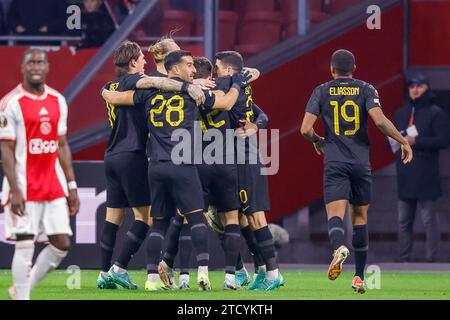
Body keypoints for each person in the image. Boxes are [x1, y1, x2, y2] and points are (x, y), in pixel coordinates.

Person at [102, 49, 251, 291]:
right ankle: (203, 274)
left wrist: (105, 92)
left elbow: (119, 98)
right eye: (189, 65)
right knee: (196, 219)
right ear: (174, 69)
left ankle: (151, 280)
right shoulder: (194, 93)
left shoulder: (148, 93)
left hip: (157, 167)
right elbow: (225, 102)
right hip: (183, 165)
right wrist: (239, 83)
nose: (193, 70)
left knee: (159, 223)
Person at [300, 49, 413, 294]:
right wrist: (402, 141)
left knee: (335, 215)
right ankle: (359, 277)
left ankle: (339, 247)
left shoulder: (321, 90)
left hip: (335, 162)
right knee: (360, 218)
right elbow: (380, 121)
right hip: (361, 162)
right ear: (354, 68)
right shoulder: (366, 89)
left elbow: (305, 129)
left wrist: (318, 140)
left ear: (332, 69)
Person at [98, 41, 205, 290]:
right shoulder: (144, 83)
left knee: (114, 217)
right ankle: (121, 268)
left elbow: (114, 95)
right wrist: (189, 86)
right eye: (140, 59)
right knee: (148, 218)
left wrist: (106, 94)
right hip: (137, 154)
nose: (145, 62)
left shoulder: (109, 86)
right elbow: (151, 82)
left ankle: (103, 274)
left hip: (112, 153)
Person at [0, 48, 80, 300]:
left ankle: (19, 291)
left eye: (40, 62)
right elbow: (6, 149)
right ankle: (22, 298)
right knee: (25, 243)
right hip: (24, 184)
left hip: (53, 183)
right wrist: (15, 189)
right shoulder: (10, 102)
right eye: (31, 62)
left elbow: (62, 144)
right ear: (23, 67)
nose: (36, 66)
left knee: (62, 243)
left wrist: (72, 185)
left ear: (47, 67)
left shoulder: (58, 100)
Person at [213, 51, 283, 291]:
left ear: (229, 71)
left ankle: (274, 274)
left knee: (255, 216)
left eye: (218, 67)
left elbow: (262, 116)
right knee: (244, 218)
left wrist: (256, 126)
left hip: (247, 158)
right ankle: (262, 271)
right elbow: (263, 114)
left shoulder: (228, 85)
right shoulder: (239, 86)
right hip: (238, 157)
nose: (215, 72)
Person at [393, 75, 450, 262]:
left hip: (426, 175)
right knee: (403, 221)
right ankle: (403, 257)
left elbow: (443, 141)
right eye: (412, 86)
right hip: (405, 174)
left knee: (429, 220)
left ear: (427, 88)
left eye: (419, 86)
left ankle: (432, 258)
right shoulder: (401, 114)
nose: (415, 89)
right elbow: (391, 141)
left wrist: (416, 141)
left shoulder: (436, 113)